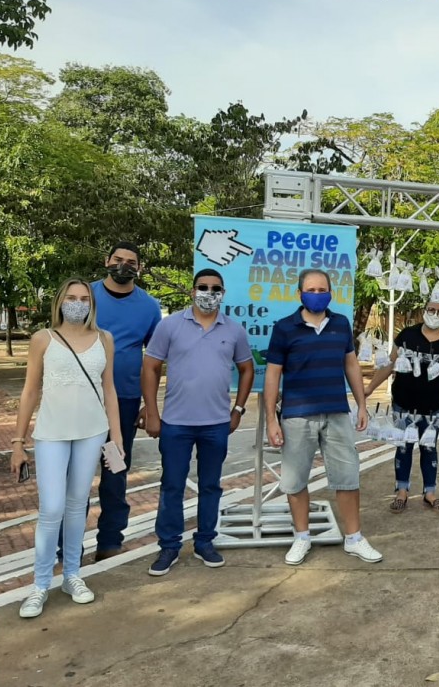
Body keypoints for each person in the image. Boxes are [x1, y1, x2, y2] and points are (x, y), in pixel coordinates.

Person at [10, 279, 124, 618]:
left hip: (91, 432)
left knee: (77, 505)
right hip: (51, 433)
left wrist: (116, 437)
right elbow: (30, 391)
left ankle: (72, 574)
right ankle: (40, 584)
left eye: (85, 298)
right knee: (52, 508)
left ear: (92, 304)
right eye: (72, 298)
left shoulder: (105, 339)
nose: (78, 303)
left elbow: (109, 390)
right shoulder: (42, 339)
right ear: (60, 302)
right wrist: (18, 442)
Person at [264, 269, 381, 566]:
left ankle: (354, 538)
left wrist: (361, 404)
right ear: (299, 293)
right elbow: (273, 374)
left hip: (336, 413)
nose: (317, 295)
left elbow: (351, 364)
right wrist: (271, 419)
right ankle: (302, 537)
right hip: (296, 416)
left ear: (330, 292)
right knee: (294, 480)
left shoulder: (340, 324)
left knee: (347, 477)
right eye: (311, 290)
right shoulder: (284, 328)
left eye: (322, 290)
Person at [142, 269, 254, 576]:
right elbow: (150, 367)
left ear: (223, 294)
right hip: (175, 423)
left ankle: (205, 541)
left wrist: (238, 410)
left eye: (215, 289)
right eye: (203, 287)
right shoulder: (169, 326)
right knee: (172, 485)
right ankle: (169, 546)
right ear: (192, 291)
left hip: (216, 424)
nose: (209, 293)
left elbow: (247, 369)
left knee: (210, 486)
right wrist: (151, 412)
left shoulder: (234, 330)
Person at [89, 241, 161, 560]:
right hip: (83, 402)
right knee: (75, 475)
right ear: (107, 261)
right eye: (118, 259)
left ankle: (110, 540)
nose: (124, 265)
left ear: (139, 268)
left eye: (131, 262)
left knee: (115, 470)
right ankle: (67, 543)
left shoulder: (149, 307)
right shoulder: (85, 296)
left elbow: (154, 361)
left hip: (125, 403)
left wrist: (149, 403)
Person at [365, 301, 439, 513]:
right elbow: (389, 364)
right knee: (403, 447)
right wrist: (370, 388)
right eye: (431, 310)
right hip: (403, 405)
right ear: (424, 310)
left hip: (433, 408)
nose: (435, 314)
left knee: (429, 448)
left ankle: (430, 493)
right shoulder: (408, 335)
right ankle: (401, 492)